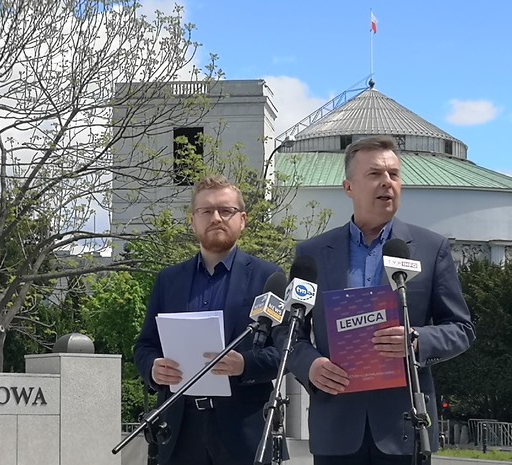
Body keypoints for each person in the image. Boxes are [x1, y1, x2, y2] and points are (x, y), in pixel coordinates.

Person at [276, 136, 476, 465]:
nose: (387, 182)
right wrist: (310, 365)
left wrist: (416, 340)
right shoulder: (313, 254)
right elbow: (287, 331)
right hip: (336, 426)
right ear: (349, 187)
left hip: (406, 427)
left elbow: (461, 329)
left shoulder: (430, 248)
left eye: (394, 174)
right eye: (374, 174)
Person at [134, 175, 282, 465]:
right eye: (206, 211)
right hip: (178, 433)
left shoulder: (269, 278)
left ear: (242, 220)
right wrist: (152, 368)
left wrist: (245, 364)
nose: (216, 218)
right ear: (193, 221)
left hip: (244, 435)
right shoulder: (168, 280)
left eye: (226, 211)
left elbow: (286, 351)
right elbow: (145, 345)